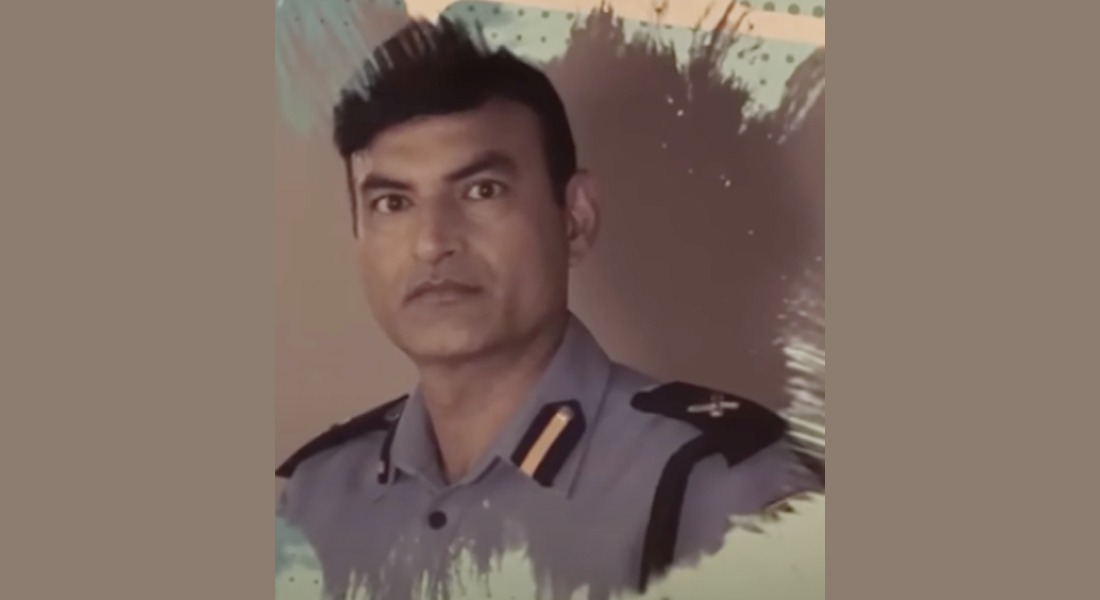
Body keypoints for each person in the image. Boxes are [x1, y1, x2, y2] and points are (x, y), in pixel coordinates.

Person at [276, 17, 823, 600]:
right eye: (392, 202)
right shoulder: (311, 497)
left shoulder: (717, 488)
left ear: (576, 219)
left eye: (481, 190)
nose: (432, 242)